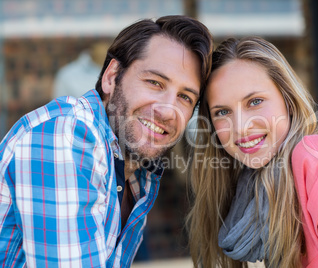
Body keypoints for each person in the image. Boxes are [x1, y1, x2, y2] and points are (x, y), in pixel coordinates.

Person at [0, 15, 213, 267]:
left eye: (185, 97)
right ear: (111, 77)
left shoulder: (135, 172)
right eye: (154, 82)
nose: (168, 111)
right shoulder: (65, 135)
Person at [186, 37, 318, 267]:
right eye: (222, 112)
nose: (240, 126)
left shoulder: (316, 157)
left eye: (255, 101)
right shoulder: (252, 190)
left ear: (287, 101)